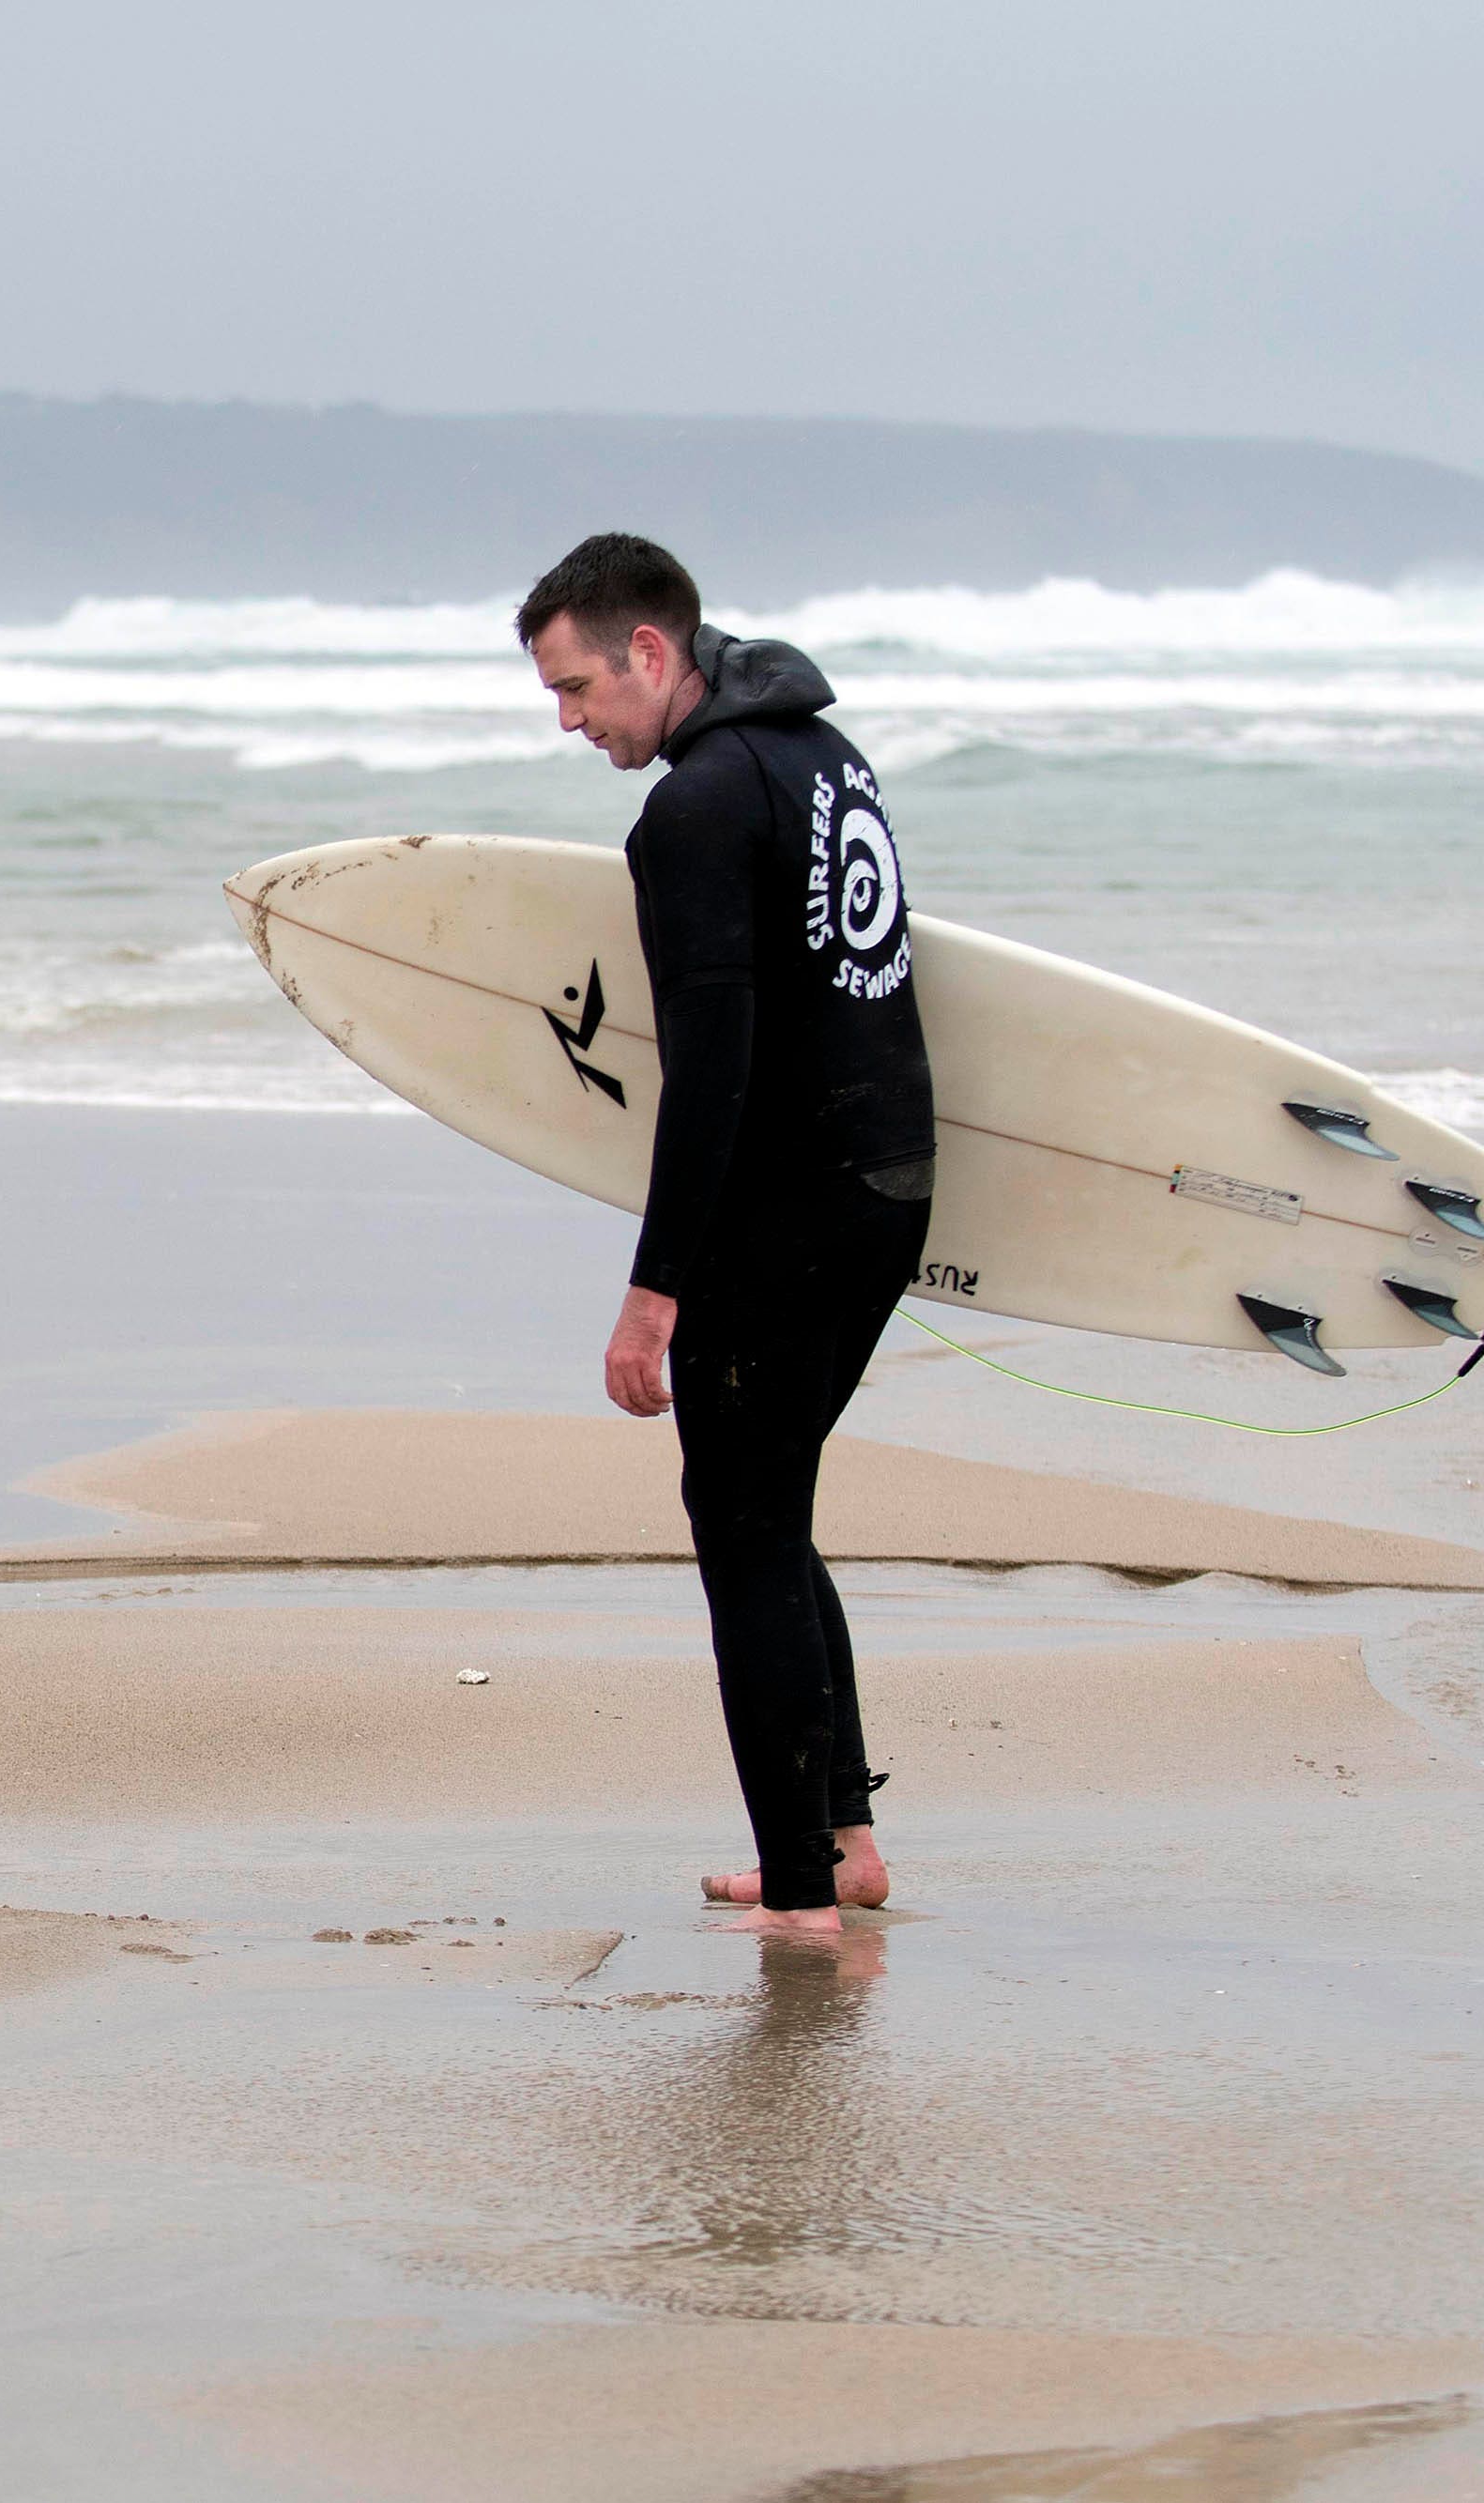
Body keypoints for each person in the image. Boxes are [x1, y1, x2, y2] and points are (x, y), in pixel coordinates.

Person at [520, 533, 937, 1938]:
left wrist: (654, 1294)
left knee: (741, 1529)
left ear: (650, 650)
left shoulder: (694, 809)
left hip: (784, 1212)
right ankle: (840, 1842)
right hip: (887, 1184)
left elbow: (710, 1069)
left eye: (577, 687)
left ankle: (805, 1900)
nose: (568, 721)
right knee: (776, 1511)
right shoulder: (824, 756)